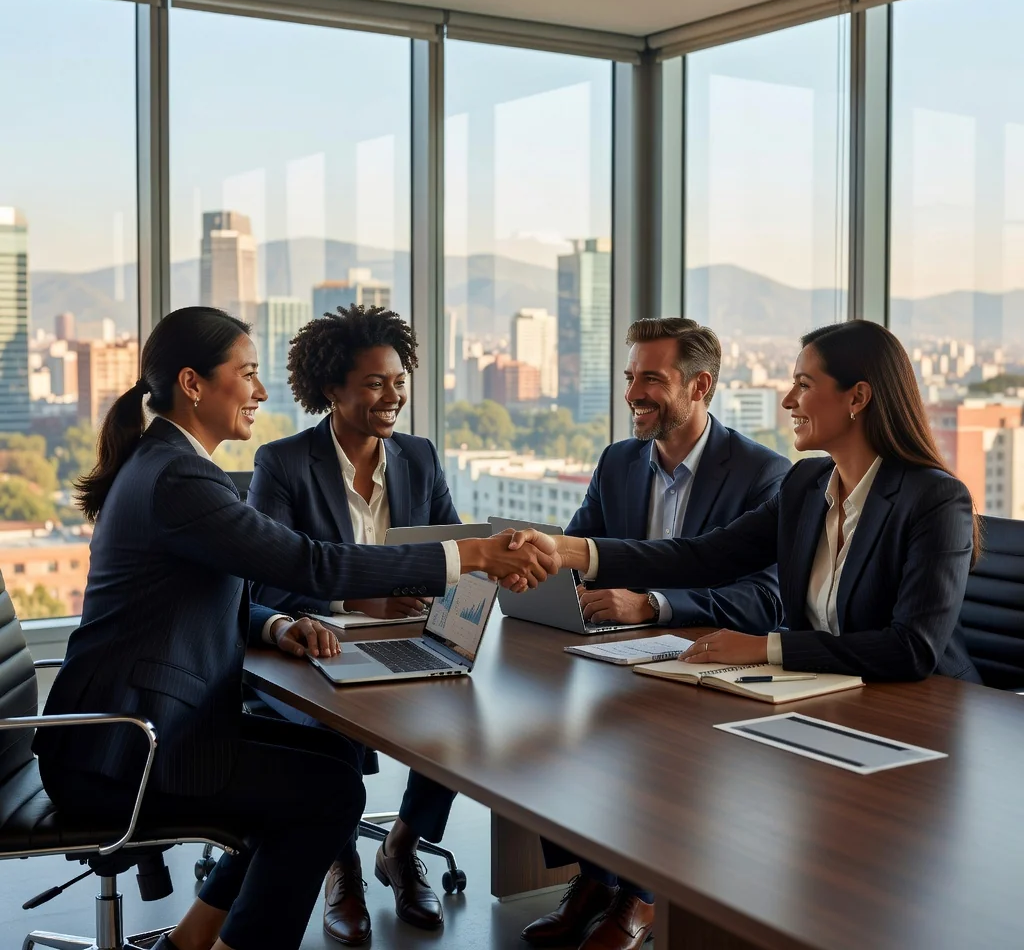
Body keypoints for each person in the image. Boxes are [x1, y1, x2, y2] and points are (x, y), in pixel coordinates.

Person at [33, 307, 557, 950]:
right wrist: (469, 554)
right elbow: (307, 562)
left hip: (135, 728)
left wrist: (276, 627)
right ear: (193, 384)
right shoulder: (179, 476)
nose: (259, 392)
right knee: (326, 793)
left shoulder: (166, 462)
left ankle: (190, 943)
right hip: (127, 750)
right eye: (247, 375)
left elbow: (219, 595)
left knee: (328, 762)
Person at [513, 320, 982, 688]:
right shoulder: (807, 485)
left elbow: (911, 649)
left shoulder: (935, 500)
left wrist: (767, 648)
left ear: (857, 397)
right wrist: (568, 551)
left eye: (803, 384)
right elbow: (704, 555)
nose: (787, 400)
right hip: (826, 694)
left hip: (927, 708)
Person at [522, 317, 789, 950]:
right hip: (618, 655)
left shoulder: (763, 474)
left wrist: (653, 606)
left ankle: (640, 898)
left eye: (651, 378)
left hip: (707, 665)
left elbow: (766, 598)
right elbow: (580, 549)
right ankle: (597, 878)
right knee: (546, 722)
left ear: (701, 386)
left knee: (634, 736)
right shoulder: (618, 461)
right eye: (628, 377)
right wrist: (555, 584)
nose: (633, 393)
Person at [247, 305, 459, 943]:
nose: (392, 396)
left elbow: (450, 551)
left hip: (409, 642)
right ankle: (340, 866)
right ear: (331, 391)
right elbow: (265, 583)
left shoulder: (419, 458)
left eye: (398, 381)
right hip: (315, 646)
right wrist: (362, 601)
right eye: (374, 383)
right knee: (331, 734)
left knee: (461, 717)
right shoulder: (283, 464)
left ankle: (402, 843)